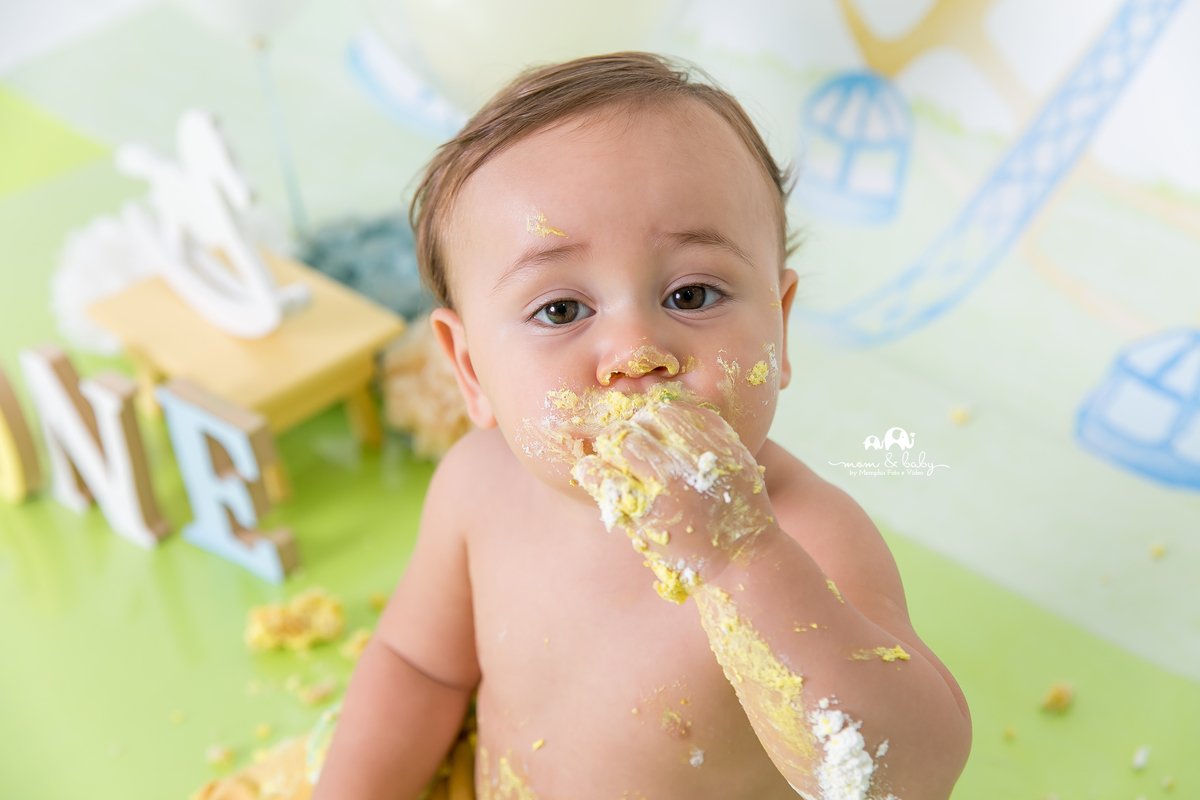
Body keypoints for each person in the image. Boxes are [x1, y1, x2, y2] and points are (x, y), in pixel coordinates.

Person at [314, 52, 971, 800]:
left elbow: (908, 776)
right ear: (469, 369)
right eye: (560, 310)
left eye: (692, 294)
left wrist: (741, 560)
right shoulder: (476, 486)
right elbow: (418, 666)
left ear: (779, 330)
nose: (638, 353)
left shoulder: (809, 537)